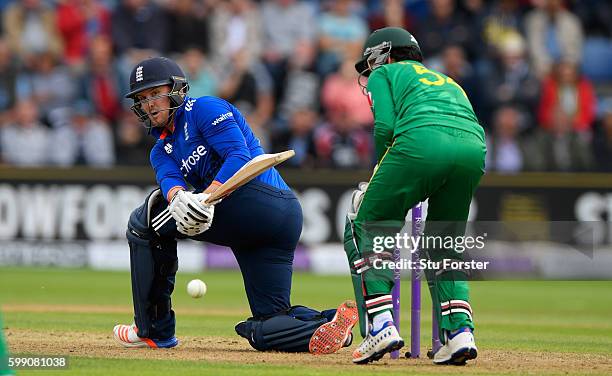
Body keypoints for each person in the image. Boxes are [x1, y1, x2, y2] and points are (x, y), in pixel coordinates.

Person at [112, 56, 358, 355]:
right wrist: (180, 198)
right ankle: (327, 324)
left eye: (155, 94)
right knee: (265, 326)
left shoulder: (204, 108)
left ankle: (153, 330)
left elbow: (239, 156)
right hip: (258, 229)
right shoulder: (160, 150)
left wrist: (206, 197)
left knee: (143, 224)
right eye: (142, 98)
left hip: (261, 200)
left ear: (176, 89)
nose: (149, 104)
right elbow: (170, 184)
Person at [344, 27, 485, 365]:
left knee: (365, 224)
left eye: (369, 65)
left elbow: (386, 128)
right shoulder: (448, 80)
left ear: (382, 55)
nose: (368, 75)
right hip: (473, 149)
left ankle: (380, 323)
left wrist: (377, 175)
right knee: (444, 243)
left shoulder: (386, 72)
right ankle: (459, 333)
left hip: (421, 143)